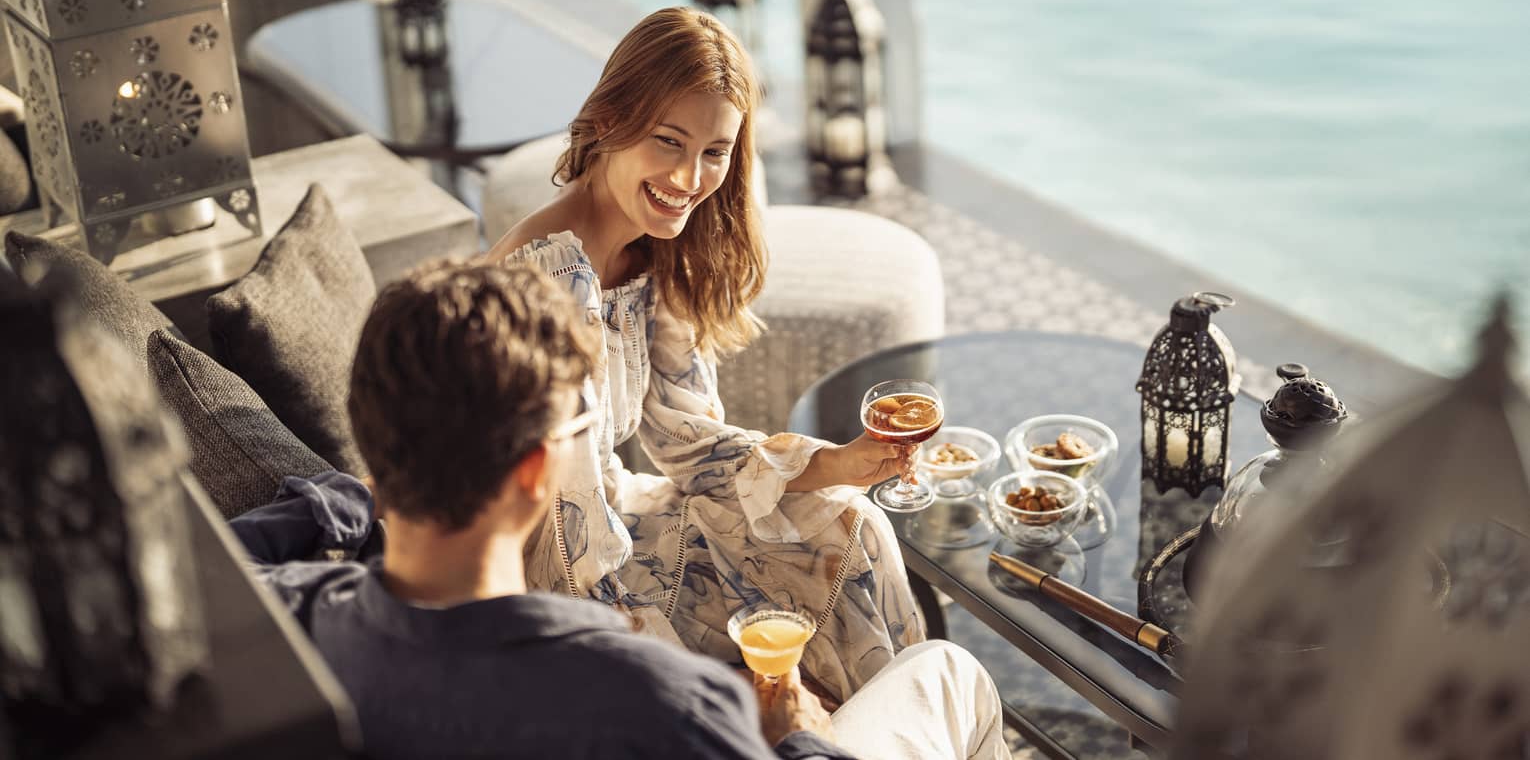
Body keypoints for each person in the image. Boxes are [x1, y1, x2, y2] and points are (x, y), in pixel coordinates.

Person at [232, 259, 1008, 759]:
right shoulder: (660, 703)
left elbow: (219, 547)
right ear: (541, 468)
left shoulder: (283, 622)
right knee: (947, 669)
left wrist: (343, 499)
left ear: (373, 439)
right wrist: (800, 737)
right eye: (580, 428)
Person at [485, 6, 922, 700]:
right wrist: (655, 659)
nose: (690, 178)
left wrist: (835, 463)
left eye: (714, 152)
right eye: (668, 141)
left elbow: (687, 443)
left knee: (854, 523)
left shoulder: (651, 250)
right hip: (546, 570)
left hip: (616, 524)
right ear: (607, 121)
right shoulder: (549, 279)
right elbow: (566, 539)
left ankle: (894, 727)